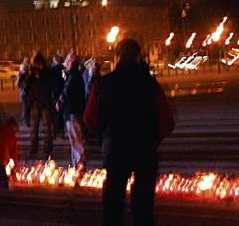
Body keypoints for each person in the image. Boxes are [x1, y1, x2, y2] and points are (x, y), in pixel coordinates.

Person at [84, 39, 175, 226]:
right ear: (138, 57)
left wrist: (103, 136)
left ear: (117, 57)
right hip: (145, 148)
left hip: (115, 148)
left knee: (113, 201)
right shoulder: (150, 85)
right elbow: (166, 121)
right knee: (143, 204)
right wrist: (154, 139)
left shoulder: (103, 84)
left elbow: (89, 119)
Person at [56, 55, 86, 167]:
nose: (65, 64)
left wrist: (60, 102)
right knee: (75, 141)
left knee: (76, 141)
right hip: (73, 112)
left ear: (71, 63)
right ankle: (77, 164)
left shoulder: (73, 76)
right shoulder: (73, 75)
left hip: (73, 112)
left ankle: (80, 165)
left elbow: (67, 92)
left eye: (67, 61)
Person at [27, 53, 55, 160]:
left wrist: (40, 76)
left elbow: (50, 85)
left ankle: (47, 150)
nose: (37, 66)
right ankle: (33, 149)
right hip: (35, 104)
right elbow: (25, 85)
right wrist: (30, 75)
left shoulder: (47, 72)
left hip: (45, 103)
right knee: (34, 129)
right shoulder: (32, 73)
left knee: (47, 128)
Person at [16, 57, 32, 127]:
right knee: (26, 107)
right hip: (24, 93)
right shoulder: (22, 73)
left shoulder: (26, 71)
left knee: (27, 107)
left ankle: (27, 120)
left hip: (26, 92)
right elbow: (19, 83)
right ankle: (26, 121)